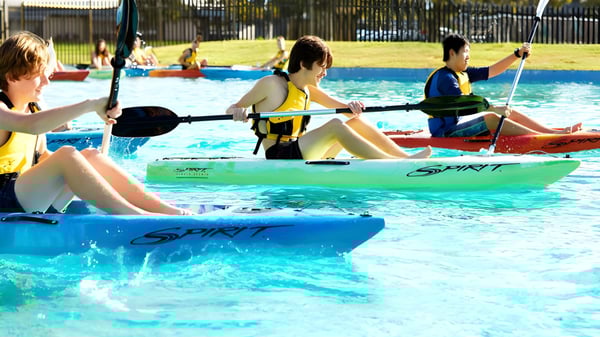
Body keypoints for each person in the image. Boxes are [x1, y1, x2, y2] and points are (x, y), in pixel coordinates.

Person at [0, 31, 191, 215]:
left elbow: (41, 158)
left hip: (29, 197)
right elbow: (30, 125)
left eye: (46, 75)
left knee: (89, 156)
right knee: (67, 154)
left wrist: (84, 167)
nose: (46, 82)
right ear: (11, 76)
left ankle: (166, 211)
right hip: (5, 201)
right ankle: (135, 215)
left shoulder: (33, 108)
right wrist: (90, 105)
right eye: (37, 75)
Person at [227, 35, 431, 160]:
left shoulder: (308, 90)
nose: (324, 73)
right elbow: (232, 108)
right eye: (321, 67)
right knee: (334, 125)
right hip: (280, 156)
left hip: (303, 153)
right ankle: (392, 164)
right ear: (303, 64)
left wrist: (352, 105)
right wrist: (238, 112)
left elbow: (344, 108)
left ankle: (406, 159)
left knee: (356, 121)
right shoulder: (271, 84)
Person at [425, 33, 582, 137]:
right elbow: (465, 104)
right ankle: (542, 138)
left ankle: (551, 132)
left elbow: (492, 70)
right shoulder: (445, 78)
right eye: (465, 51)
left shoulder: (462, 73)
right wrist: (494, 109)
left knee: (509, 112)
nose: (468, 57)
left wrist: (517, 54)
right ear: (452, 53)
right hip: (444, 132)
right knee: (492, 118)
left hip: (456, 125)